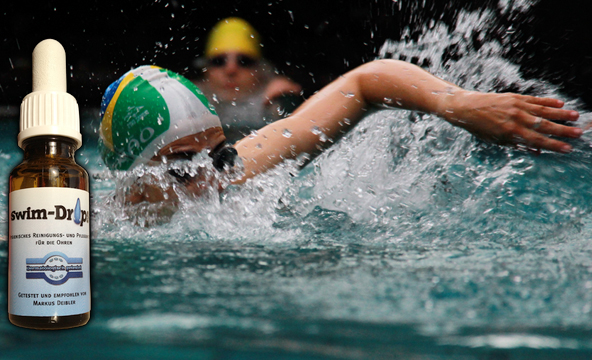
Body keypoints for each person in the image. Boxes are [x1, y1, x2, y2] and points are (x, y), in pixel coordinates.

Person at [98, 60, 580, 217]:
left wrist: (456, 104)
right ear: (133, 187)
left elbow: (364, 83)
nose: (211, 178)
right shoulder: (84, 233)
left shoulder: (236, 170)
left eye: (219, 155)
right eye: (184, 167)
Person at [193, 17, 302, 143]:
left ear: (261, 71)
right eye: (219, 61)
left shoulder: (273, 101)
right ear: (205, 70)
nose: (231, 69)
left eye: (244, 61)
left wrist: (289, 105)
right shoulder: (188, 100)